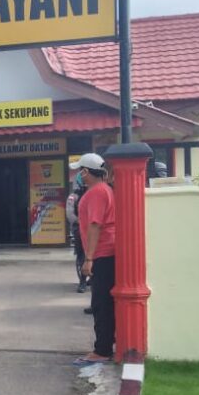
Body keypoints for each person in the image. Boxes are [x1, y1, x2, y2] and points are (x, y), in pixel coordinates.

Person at [71, 153, 116, 366]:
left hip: (102, 253)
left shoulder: (97, 192)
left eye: (80, 171)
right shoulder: (104, 189)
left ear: (86, 172)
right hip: (105, 251)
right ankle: (106, 344)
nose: (78, 175)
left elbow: (95, 225)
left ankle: (102, 350)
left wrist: (88, 258)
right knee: (104, 302)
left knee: (101, 303)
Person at [65, 172, 88, 293]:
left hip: (94, 225)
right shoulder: (73, 197)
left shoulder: (94, 194)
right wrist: (80, 221)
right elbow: (69, 213)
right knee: (82, 253)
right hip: (79, 226)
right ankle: (82, 281)